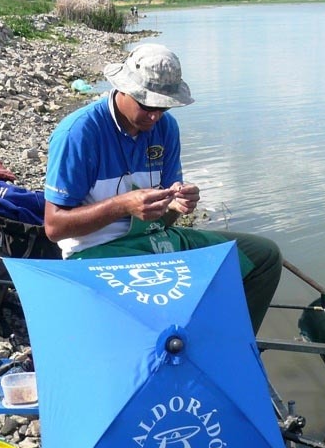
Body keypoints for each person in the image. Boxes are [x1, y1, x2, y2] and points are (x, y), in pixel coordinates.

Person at [43, 43, 283, 334]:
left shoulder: (165, 128)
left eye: (163, 106)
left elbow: (164, 220)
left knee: (264, 256)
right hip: (98, 251)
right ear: (124, 89)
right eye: (147, 106)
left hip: (155, 238)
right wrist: (123, 205)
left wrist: (176, 205)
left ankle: (232, 342)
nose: (155, 117)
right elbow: (54, 227)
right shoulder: (79, 133)